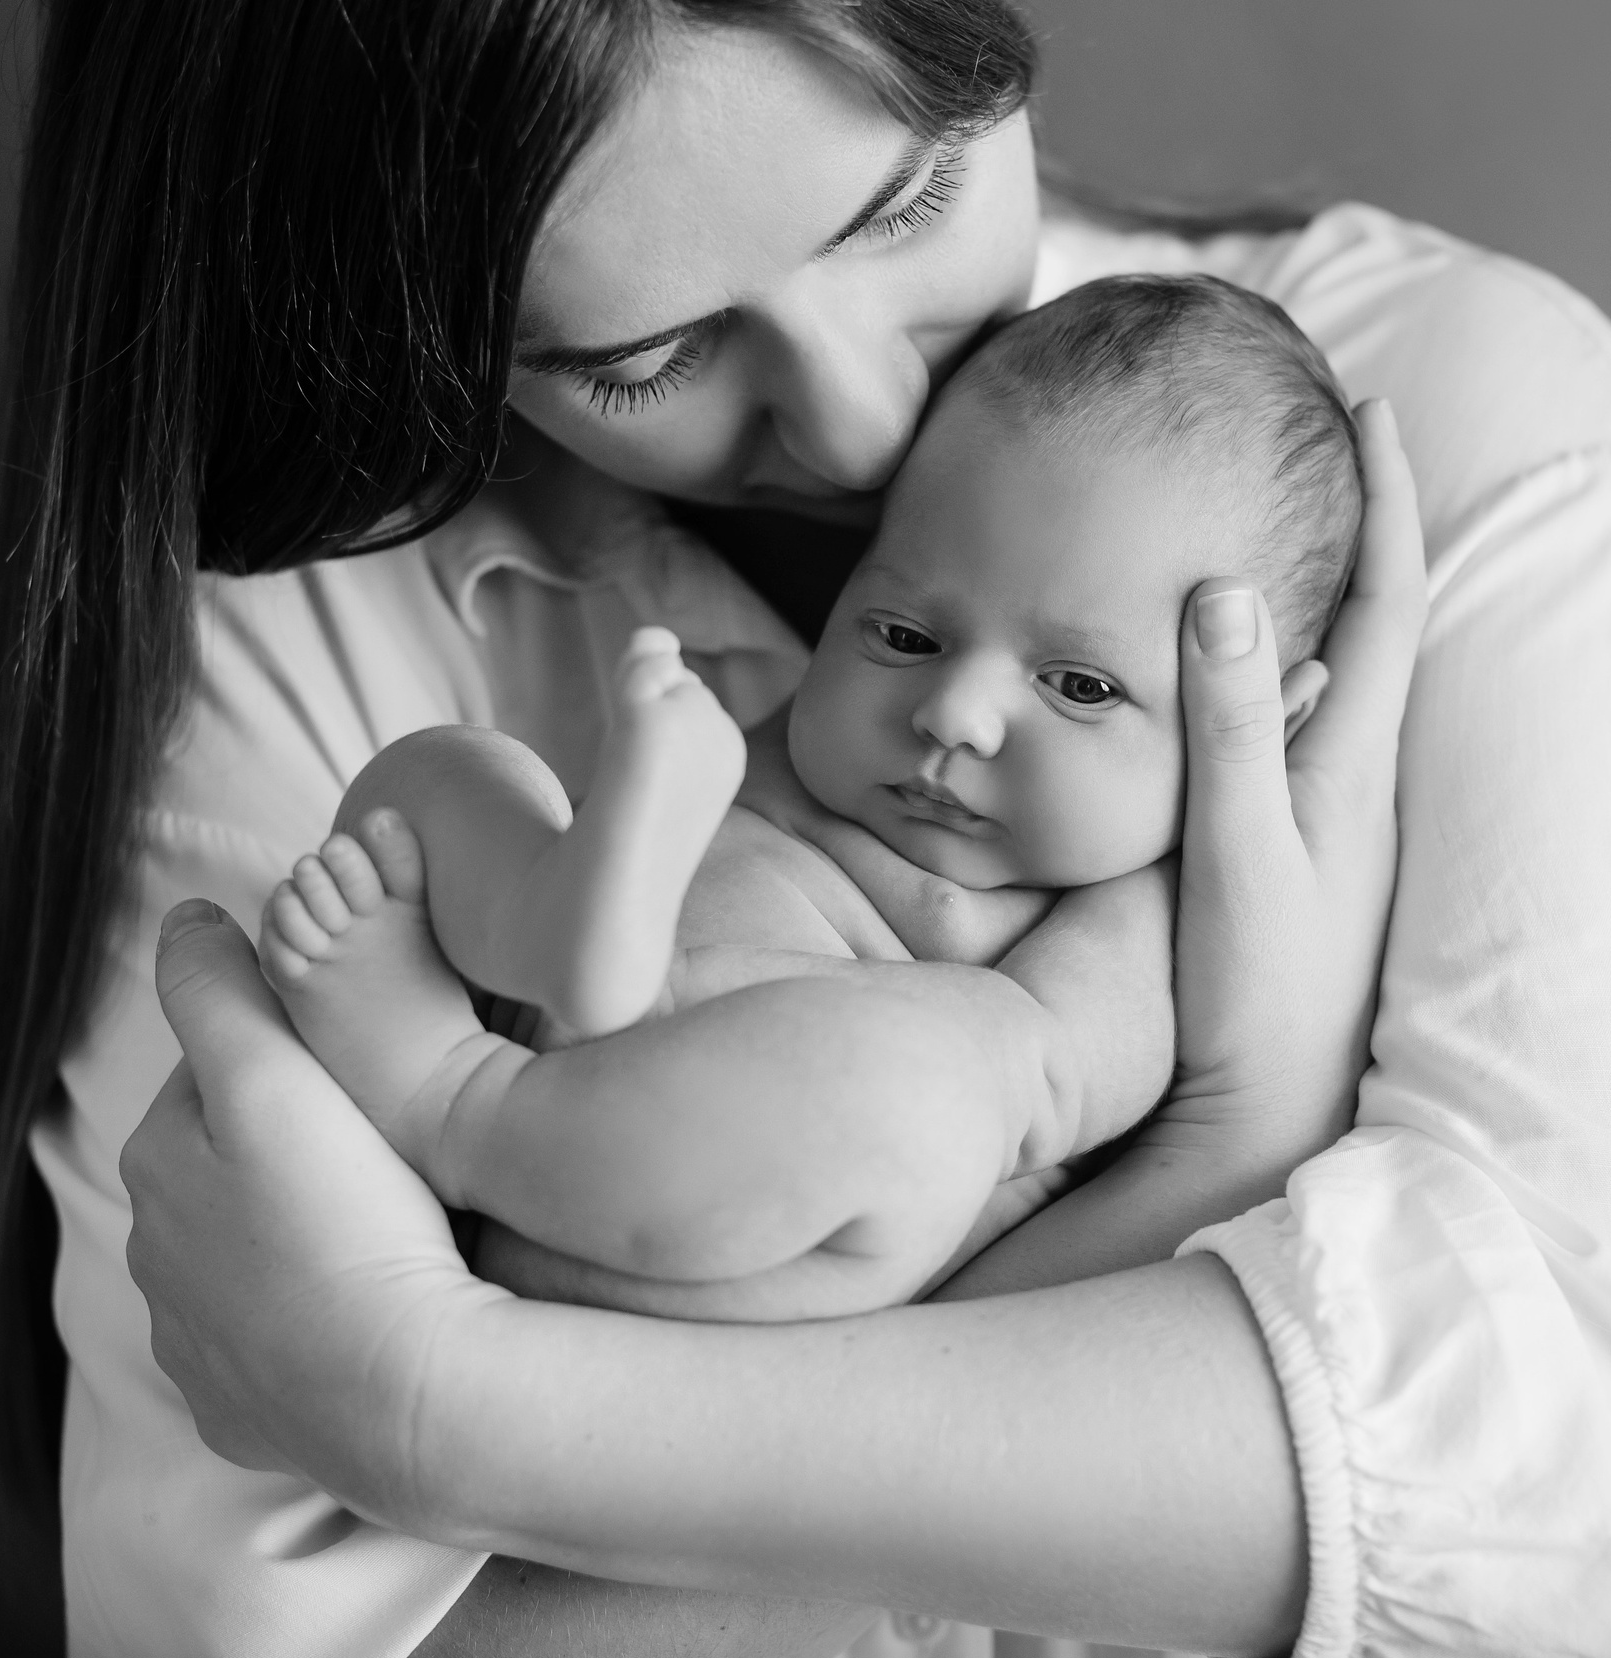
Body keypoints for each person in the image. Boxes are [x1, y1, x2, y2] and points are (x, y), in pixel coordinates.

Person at [0, 2, 1611, 1658]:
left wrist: (447, 1403)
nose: (869, 430)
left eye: (910, 197)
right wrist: (1216, 1165)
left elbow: (1564, 1499)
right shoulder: (295, 625)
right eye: (642, 353)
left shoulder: (1429, 413)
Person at [255, 276, 1366, 1326]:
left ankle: (457, 1104)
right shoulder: (801, 729)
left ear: (1262, 724)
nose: (953, 713)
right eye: (904, 632)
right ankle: (562, 914)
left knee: (931, 1090)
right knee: (450, 771)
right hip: (535, 988)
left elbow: (1035, 1078)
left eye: (1080, 686)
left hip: (727, 1213)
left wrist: (742, 1009)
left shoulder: (1134, 909)